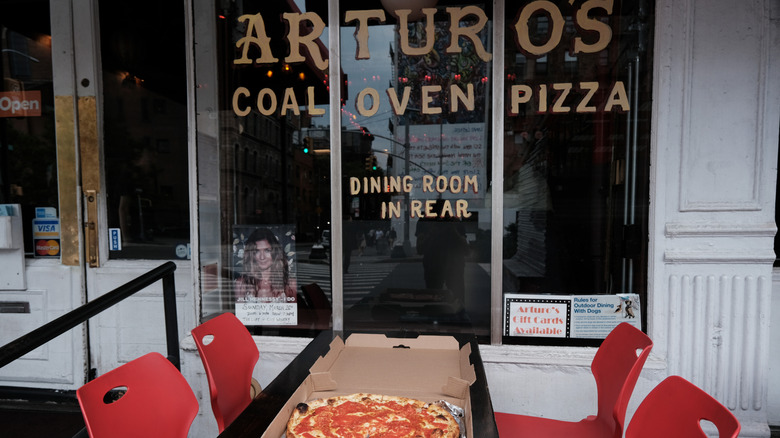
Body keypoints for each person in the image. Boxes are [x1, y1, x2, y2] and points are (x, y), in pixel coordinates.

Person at [235, 228, 297, 302]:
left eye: (267, 250)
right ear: (252, 255)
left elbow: (293, 312)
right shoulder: (241, 284)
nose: (262, 257)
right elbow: (240, 313)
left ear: (275, 252)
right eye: (257, 251)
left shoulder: (289, 284)